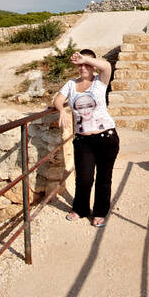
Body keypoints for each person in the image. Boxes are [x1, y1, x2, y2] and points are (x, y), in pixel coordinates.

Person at [57, 48, 117, 227]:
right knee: (84, 178)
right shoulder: (70, 84)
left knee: (104, 178)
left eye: (87, 64)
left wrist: (87, 59)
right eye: (80, 64)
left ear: (92, 66)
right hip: (83, 140)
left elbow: (106, 66)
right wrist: (61, 110)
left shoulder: (100, 81)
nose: (83, 67)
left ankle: (100, 212)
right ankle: (81, 209)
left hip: (106, 137)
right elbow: (58, 99)